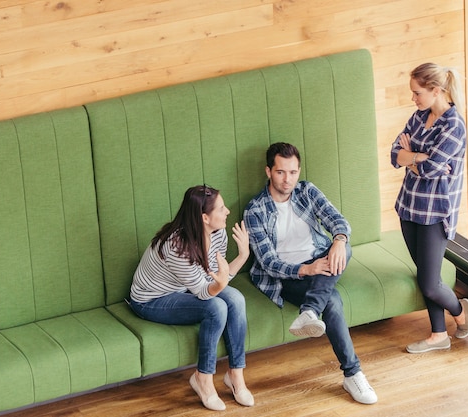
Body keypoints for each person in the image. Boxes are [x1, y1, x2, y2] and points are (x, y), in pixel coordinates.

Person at [243, 142, 378, 405]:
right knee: (332, 300)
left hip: (320, 261)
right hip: (288, 276)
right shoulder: (255, 210)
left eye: (293, 172)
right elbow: (269, 263)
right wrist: (307, 269)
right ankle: (353, 374)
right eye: (281, 172)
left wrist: (338, 240)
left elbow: (339, 221)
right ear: (268, 171)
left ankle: (309, 311)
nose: (288, 179)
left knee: (345, 247)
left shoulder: (307, 191)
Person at [129, 185, 253, 411]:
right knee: (216, 308)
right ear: (204, 217)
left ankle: (236, 375)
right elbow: (206, 292)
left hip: (186, 288)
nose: (227, 211)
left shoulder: (217, 233)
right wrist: (222, 281)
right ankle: (202, 378)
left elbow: (217, 277)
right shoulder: (177, 246)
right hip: (151, 300)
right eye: (221, 208)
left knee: (236, 300)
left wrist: (243, 255)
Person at [390, 63, 468, 354]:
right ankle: (439, 335)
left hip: (435, 214)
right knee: (427, 275)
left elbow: (433, 167)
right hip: (409, 206)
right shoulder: (419, 116)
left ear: (436, 90)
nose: (413, 99)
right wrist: (417, 157)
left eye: (417, 93)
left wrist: (410, 156)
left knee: (430, 283)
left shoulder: (454, 126)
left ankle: (460, 313)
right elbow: (394, 154)